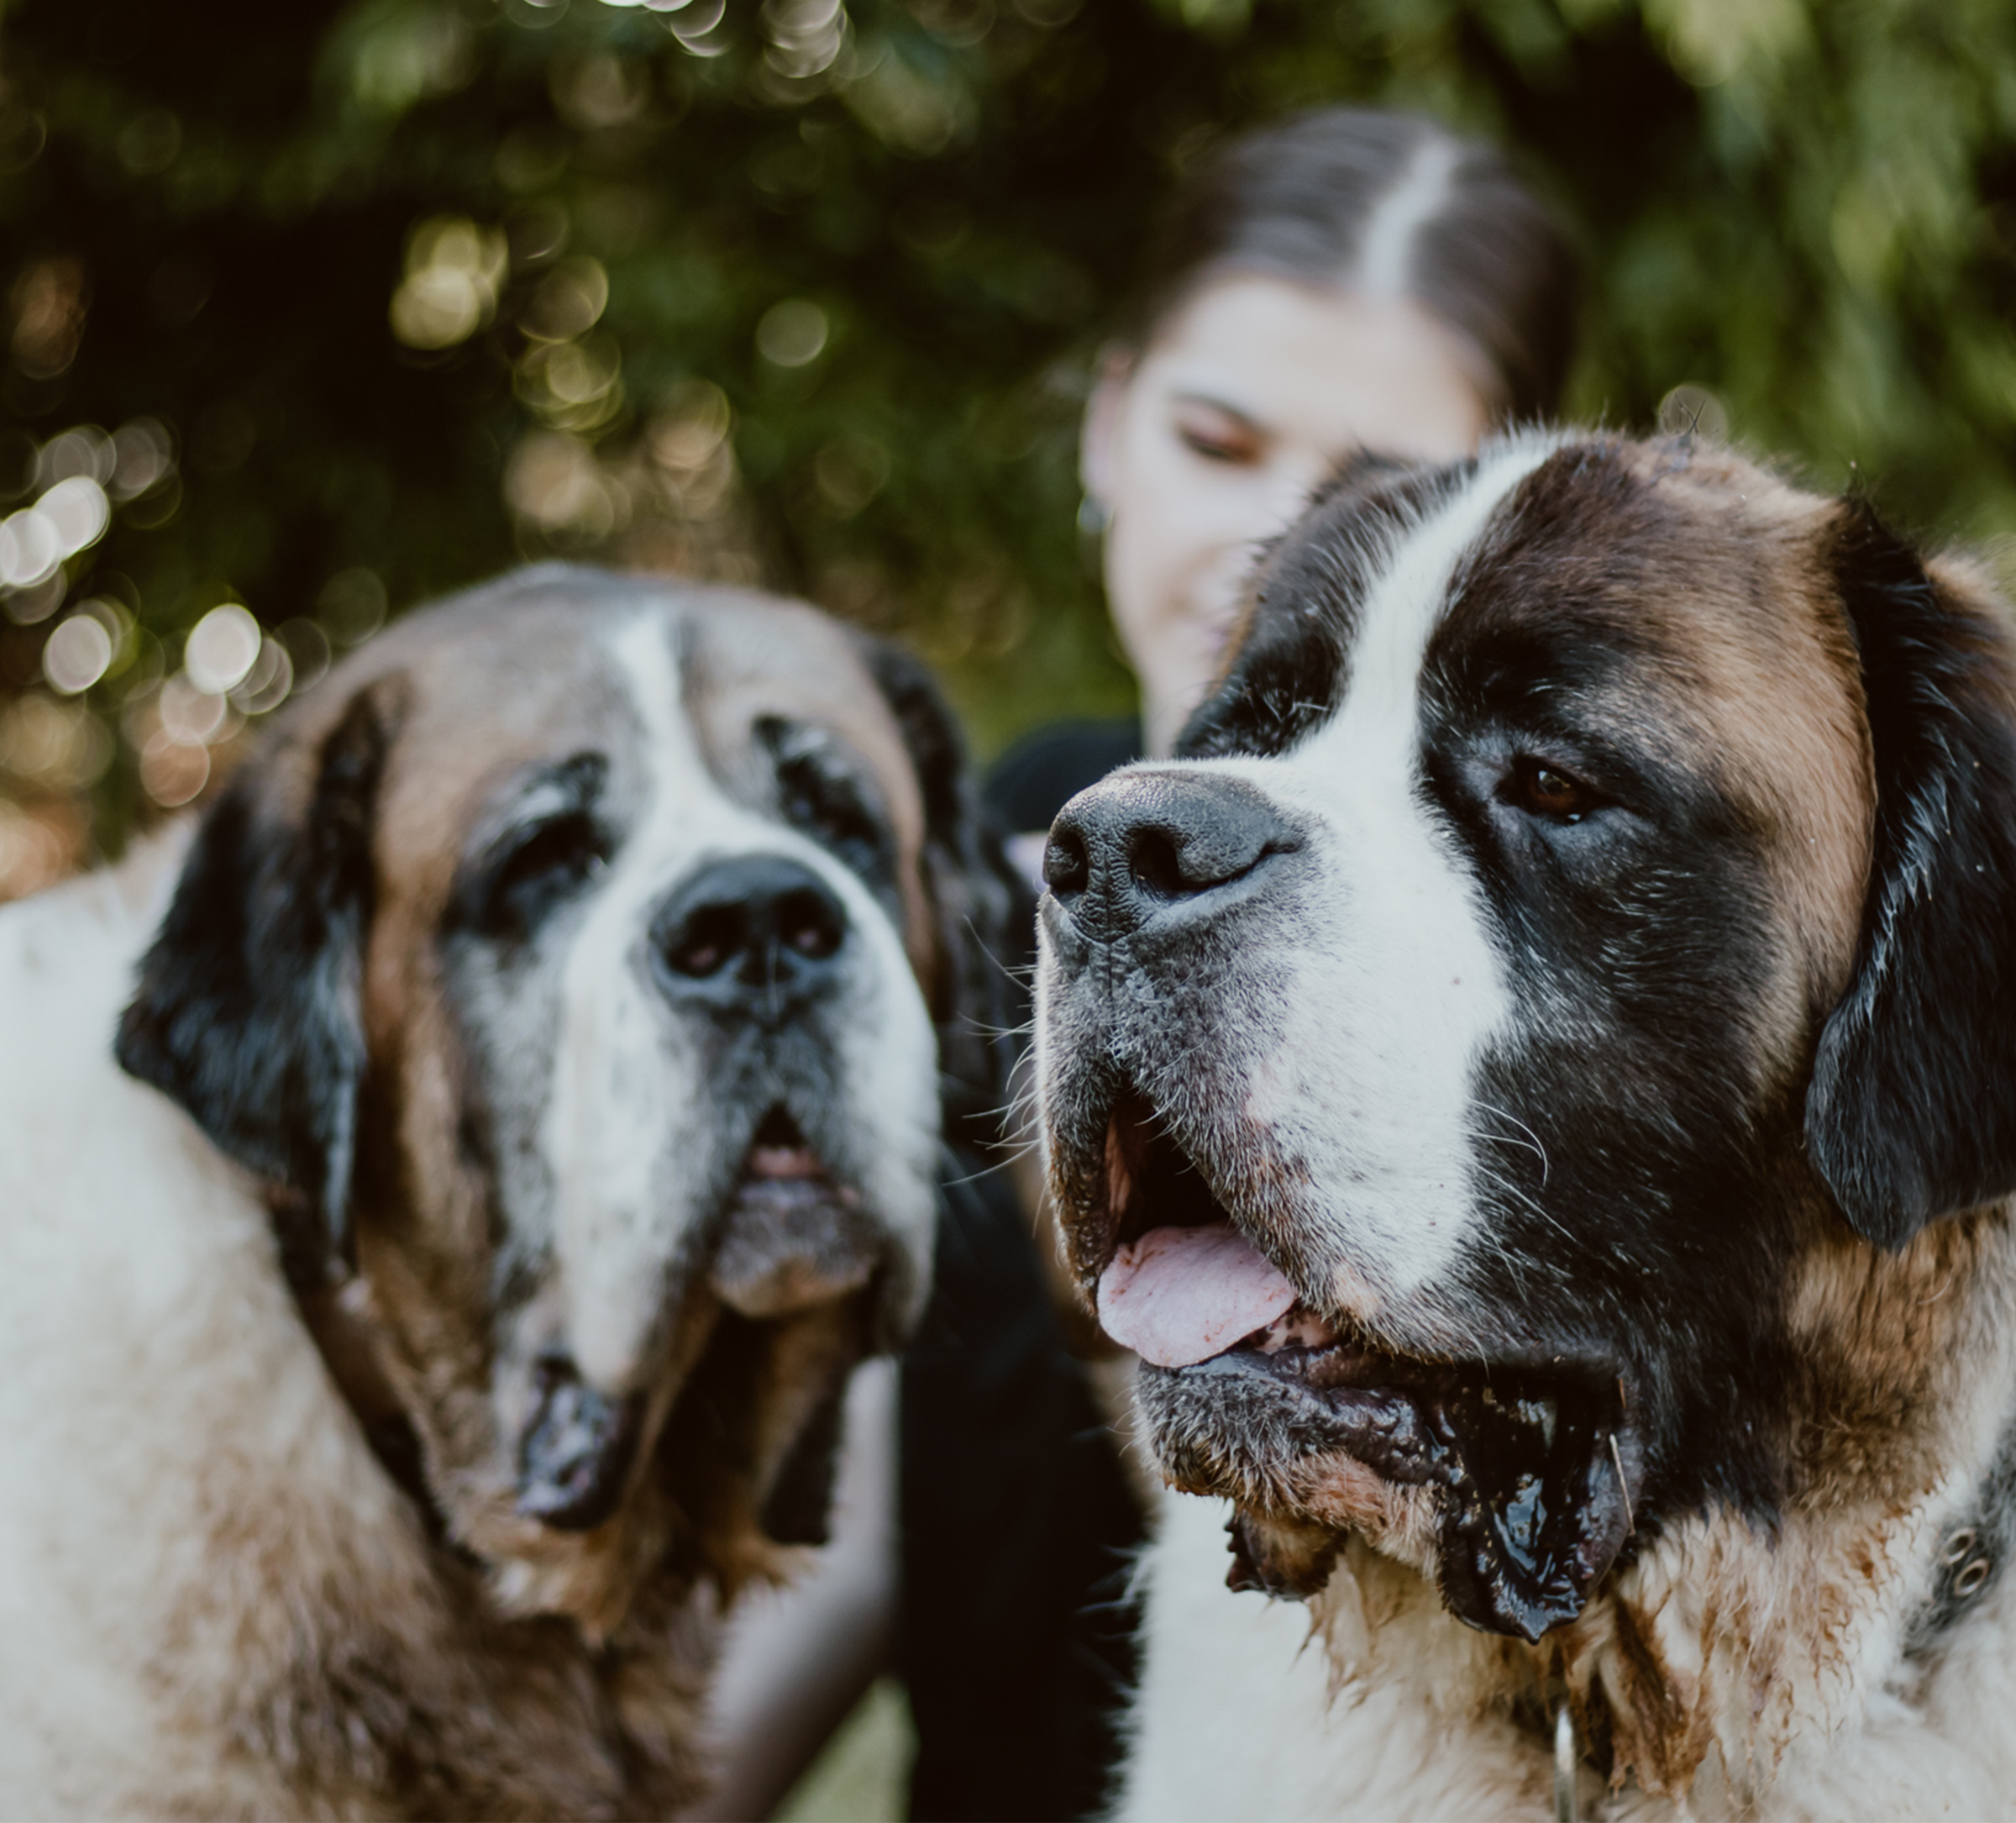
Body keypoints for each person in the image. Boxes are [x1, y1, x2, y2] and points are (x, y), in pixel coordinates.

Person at [696, 104, 1580, 1823]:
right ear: (1111, 422)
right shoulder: (974, 856)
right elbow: (860, 1493)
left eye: (1368, 479)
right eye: (1217, 439)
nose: (1266, 539)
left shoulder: (1536, 968)